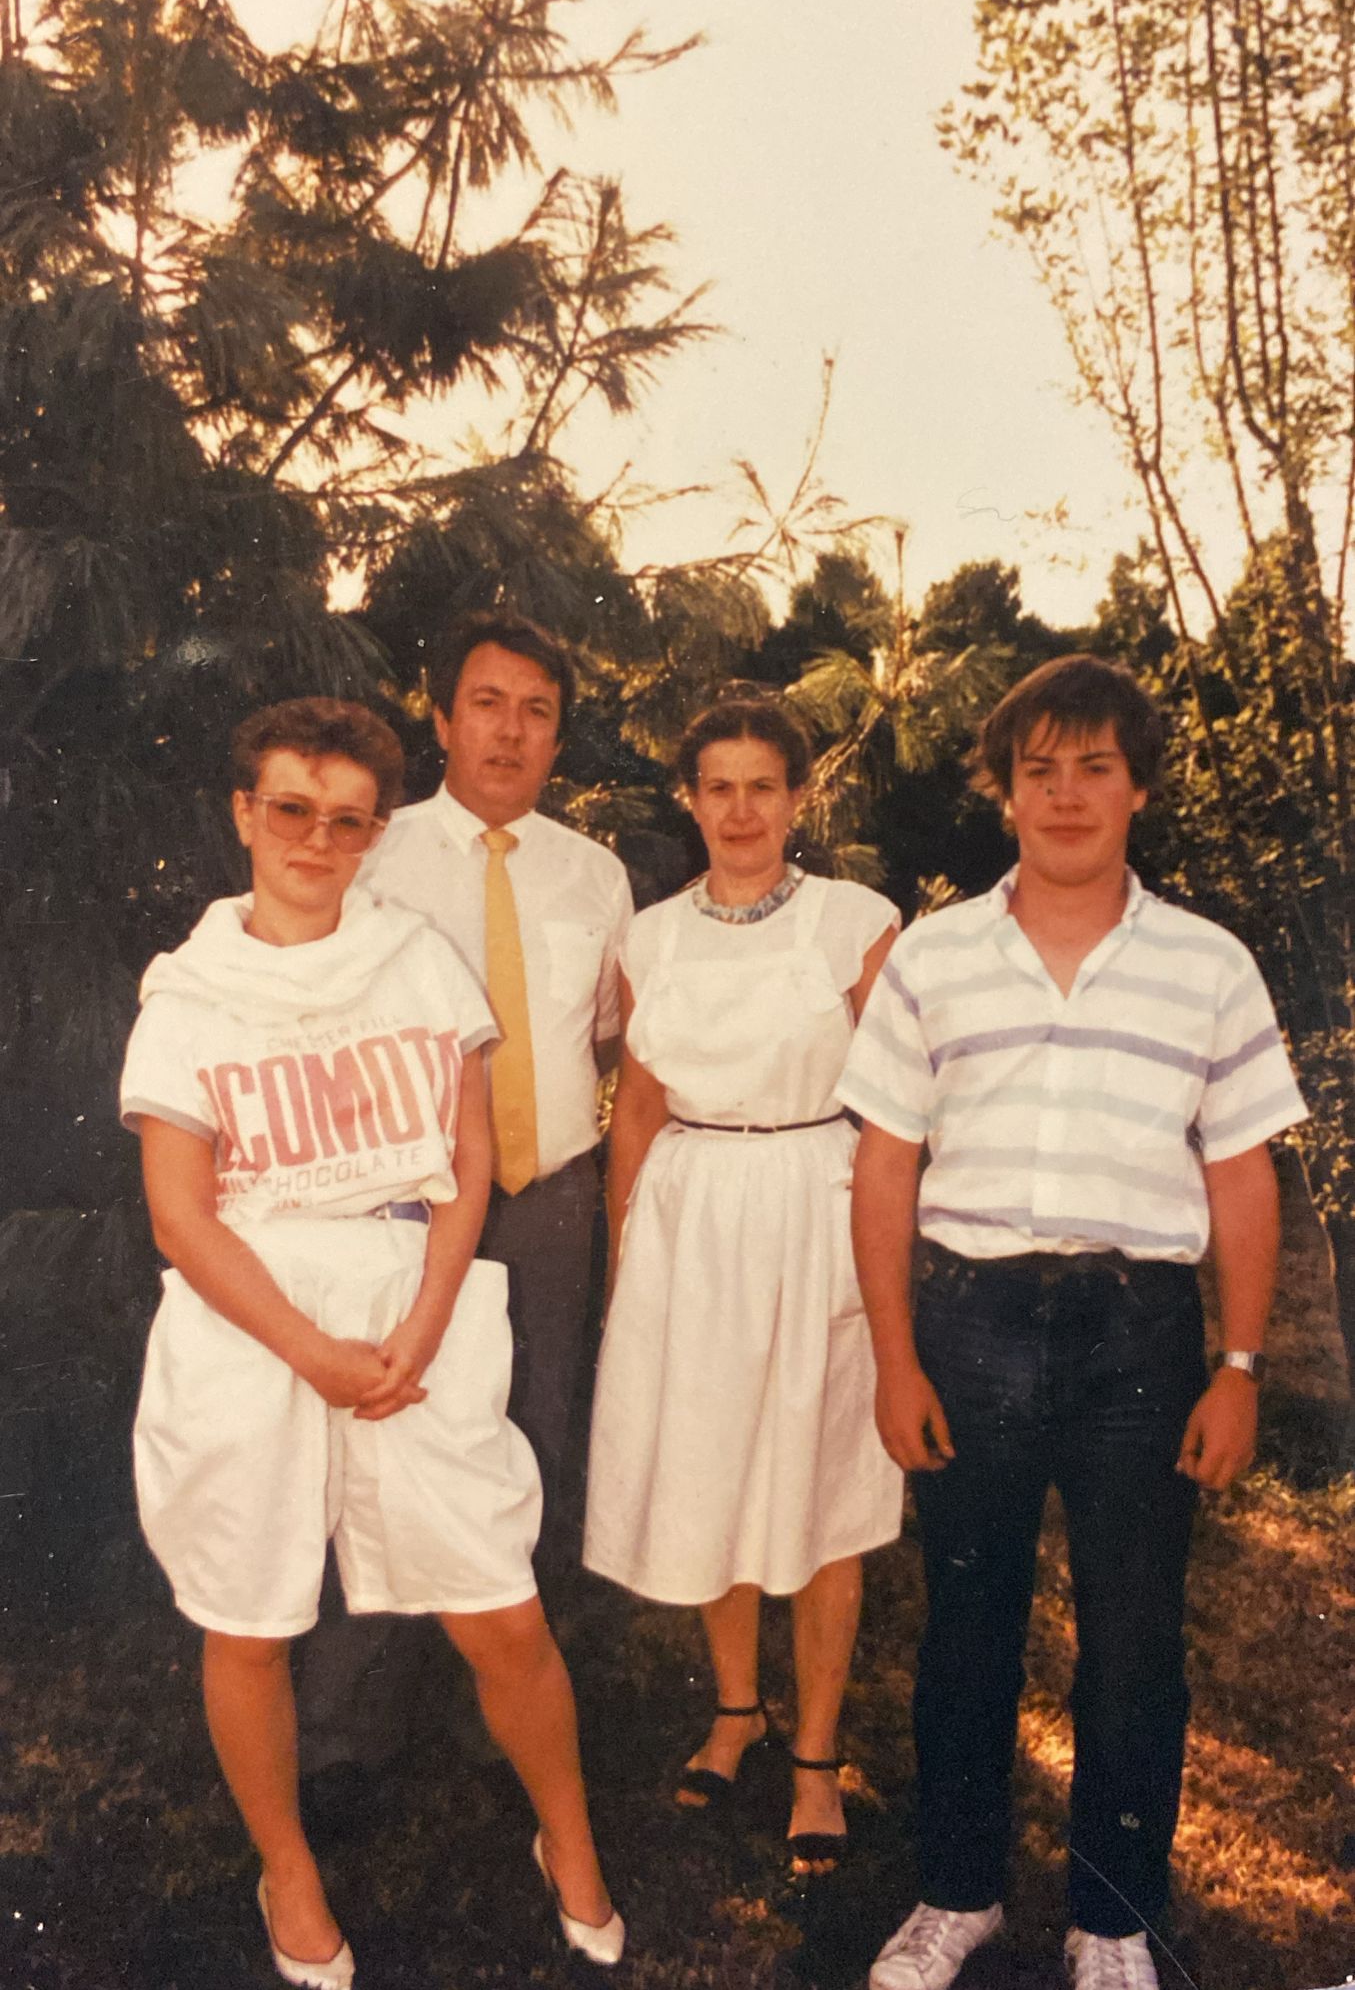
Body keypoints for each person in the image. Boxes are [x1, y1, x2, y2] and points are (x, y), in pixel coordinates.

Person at [121, 698, 623, 1986]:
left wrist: (425, 1317)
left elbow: (466, 1159)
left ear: (373, 833)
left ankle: (567, 1841)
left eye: (347, 819)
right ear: (243, 812)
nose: (316, 838)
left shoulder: (413, 961)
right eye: (290, 807)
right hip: (249, 1317)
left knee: (500, 1607)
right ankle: (287, 1868)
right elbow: (181, 1215)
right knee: (248, 1618)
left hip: (415, 1299)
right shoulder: (187, 990)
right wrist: (309, 1349)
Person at [839, 656, 1307, 1990]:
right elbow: (882, 1166)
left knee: (1131, 1634)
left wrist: (1233, 1364)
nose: (1062, 792)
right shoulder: (930, 956)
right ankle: (956, 1892)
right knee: (964, 1626)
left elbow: (1237, 1173)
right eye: (1034, 767)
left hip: (1136, 1338)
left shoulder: (1204, 965)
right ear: (1001, 791)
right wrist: (892, 1354)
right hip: (966, 1322)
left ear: (1135, 786)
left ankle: (1110, 1915)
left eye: (1090, 765)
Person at [294, 610, 632, 1811]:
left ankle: (503, 1722)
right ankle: (347, 1725)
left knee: (533, 1437)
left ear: (557, 737)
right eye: (486, 702)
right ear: (439, 720)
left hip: (549, 1197)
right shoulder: (372, 859)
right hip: (403, 1197)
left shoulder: (595, 874)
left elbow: (596, 1035)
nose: (511, 729)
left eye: (537, 710)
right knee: (380, 1436)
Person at [583, 695, 904, 1872]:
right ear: (689, 797)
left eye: (761, 784)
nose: (738, 809)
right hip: (692, 1214)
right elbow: (640, 1109)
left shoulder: (852, 922)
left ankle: (814, 1752)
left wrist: (885, 1248)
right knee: (713, 1462)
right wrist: (628, 1259)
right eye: (715, 786)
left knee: (820, 1481)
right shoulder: (654, 936)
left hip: (816, 1199)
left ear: (799, 796)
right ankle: (735, 1708)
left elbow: (900, 1101)